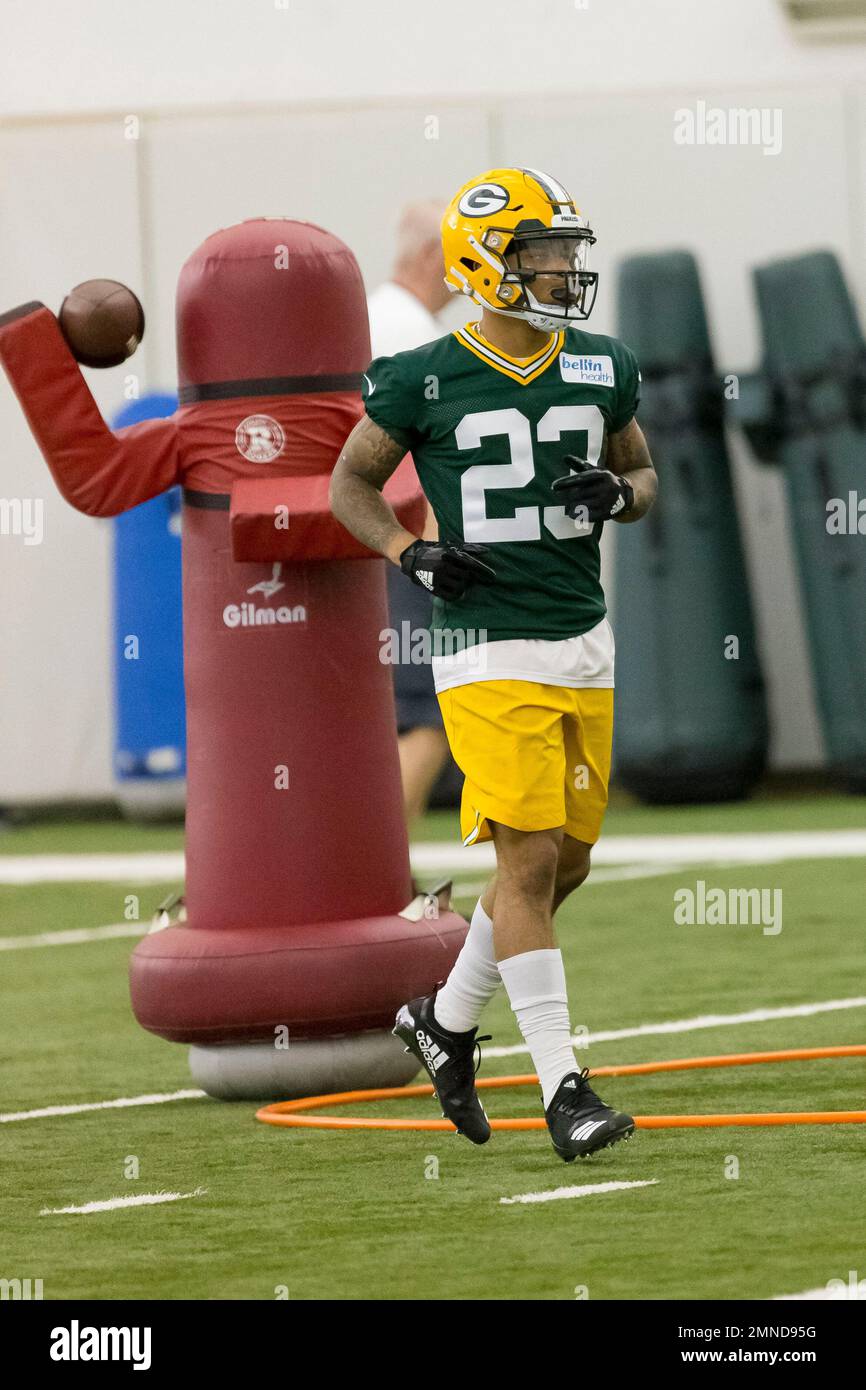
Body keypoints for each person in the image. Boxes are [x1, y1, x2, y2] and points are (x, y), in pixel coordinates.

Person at [330, 167, 658, 1162]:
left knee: (568, 862)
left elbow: (643, 473)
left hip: (579, 636)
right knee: (524, 859)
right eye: (542, 253)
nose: (563, 269)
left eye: (564, 251)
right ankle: (563, 1089)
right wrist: (408, 550)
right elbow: (349, 483)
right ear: (486, 259)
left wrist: (621, 493)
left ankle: (442, 1019)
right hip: (482, 643)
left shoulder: (600, 365)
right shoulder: (422, 373)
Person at [368, 201, 454, 826]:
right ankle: (383, 866)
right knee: (430, 711)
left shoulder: (373, 316)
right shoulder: (412, 330)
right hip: (407, 541)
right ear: (433, 256)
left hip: (370, 540)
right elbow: (432, 453)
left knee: (407, 713)